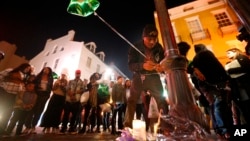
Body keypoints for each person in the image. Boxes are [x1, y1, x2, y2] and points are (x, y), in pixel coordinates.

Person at [124, 24, 166, 129]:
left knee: (161, 100)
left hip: (154, 77)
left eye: (155, 39)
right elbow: (130, 66)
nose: (152, 42)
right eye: (149, 39)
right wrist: (143, 65)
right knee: (132, 100)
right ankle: (127, 127)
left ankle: (166, 127)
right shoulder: (135, 47)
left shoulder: (159, 47)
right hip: (139, 77)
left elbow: (163, 62)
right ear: (144, 37)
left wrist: (162, 68)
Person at [188, 44, 233, 139]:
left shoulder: (194, 60)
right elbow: (218, 66)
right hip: (215, 83)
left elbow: (194, 76)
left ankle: (219, 130)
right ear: (204, 48)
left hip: (205, 87)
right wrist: (226, 78)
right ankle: (225, 130)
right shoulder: (207, 54)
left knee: (213, 106)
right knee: (220, 105)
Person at [0, 63, 32, 135]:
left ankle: (2, 128)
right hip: (5, 93)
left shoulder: (24, 76)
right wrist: (2, 86)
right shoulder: (11, 70)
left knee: (8, 112)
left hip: (14, 95)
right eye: (27, 67)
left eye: (29, 69)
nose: (27, 70)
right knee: (1, 108)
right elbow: (1, 75)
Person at [24, 67, 54, 134]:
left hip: (44, 95)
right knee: (32, 109)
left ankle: (33, 126)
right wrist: (37, 87)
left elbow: (51, 87)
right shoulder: (38, 76)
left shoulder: (50, 78)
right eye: (45, 69)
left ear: (49, 71)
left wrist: (48, 95)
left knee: (39, 110)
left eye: (47, 70)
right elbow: (33, 83)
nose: (46, 70)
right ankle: (27, 126)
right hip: (36, 94)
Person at [225, 48, 250, 127]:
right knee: (244, 109)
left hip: (245, 86)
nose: (227, 55)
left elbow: (246, 68)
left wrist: (229, 70)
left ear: (235, 51)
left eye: (229, 53)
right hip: (239, 88)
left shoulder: (242, 58)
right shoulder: (233, 62)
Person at [59, 70, 85, 134]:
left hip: (77, 100)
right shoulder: (70, 81)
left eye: (79, 73)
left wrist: (76, 93)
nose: (78, 74)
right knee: (66, 114)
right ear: (75, 74)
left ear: (80, 74)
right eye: (77, 73)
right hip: (69, 100)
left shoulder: (82, 83)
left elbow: (83, 90)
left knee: (74, 115)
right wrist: (71, 94)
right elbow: (67, 88)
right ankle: (63, 128)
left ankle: (71, 128)